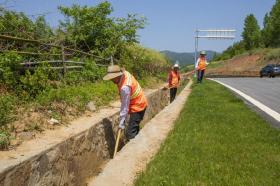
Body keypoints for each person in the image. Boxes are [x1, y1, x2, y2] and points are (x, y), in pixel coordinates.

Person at [103, 65, 148, 140]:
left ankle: (135, 148)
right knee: (134, 128)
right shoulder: (125, 73)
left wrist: (121, 121)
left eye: (112, 78)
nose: (111, 80)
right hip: (139, 102)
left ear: (116, 77)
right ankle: (137, 140)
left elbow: (125, 106)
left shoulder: (125, 88)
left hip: (138, 106)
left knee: (130, 134)